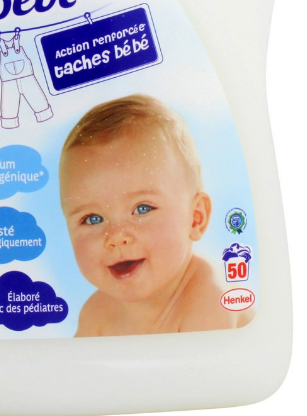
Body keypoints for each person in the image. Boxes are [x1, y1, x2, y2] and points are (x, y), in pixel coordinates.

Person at [59, 94, 254, 335]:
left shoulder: (211, 299)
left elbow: (209, 362)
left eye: (142, 209)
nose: (116, 237)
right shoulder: (96, 314)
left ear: (195, 218)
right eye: (92, 219)